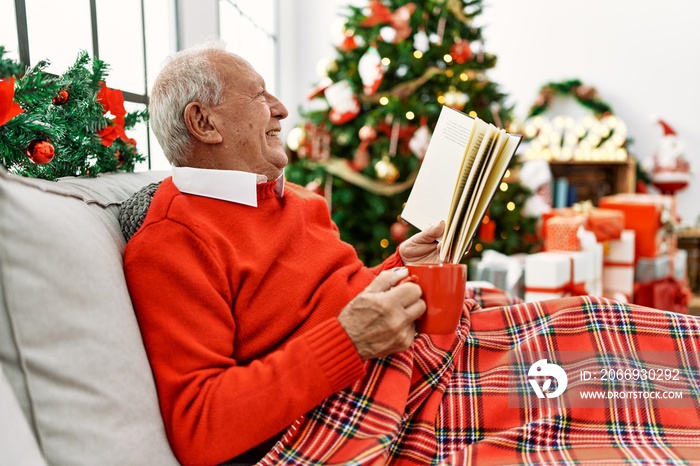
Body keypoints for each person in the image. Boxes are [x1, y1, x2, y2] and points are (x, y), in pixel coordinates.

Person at [125, 43, 700, 466]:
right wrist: (349, 341)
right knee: (603, 399)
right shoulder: (173, 242)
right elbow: (200, 425)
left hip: (421, 345)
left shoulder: (296, 201)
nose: (281, 109)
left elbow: (340, 298)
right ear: (203, 123)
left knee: (599, 321)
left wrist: (401, 266)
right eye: (259, 96)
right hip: (372, 395)